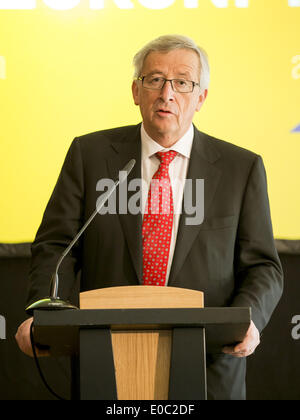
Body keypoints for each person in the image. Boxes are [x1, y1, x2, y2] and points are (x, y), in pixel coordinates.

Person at [16, 34, 283, 400]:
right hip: (106, 358)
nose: (167, 93)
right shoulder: (90, 154)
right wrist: (45, 312)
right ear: (135, 91)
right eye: (154, 79)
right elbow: (56, 245)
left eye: (182, 82)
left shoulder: (241, 168)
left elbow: (263, 266)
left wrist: (243, 322)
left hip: (210, 364)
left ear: (201, 97)